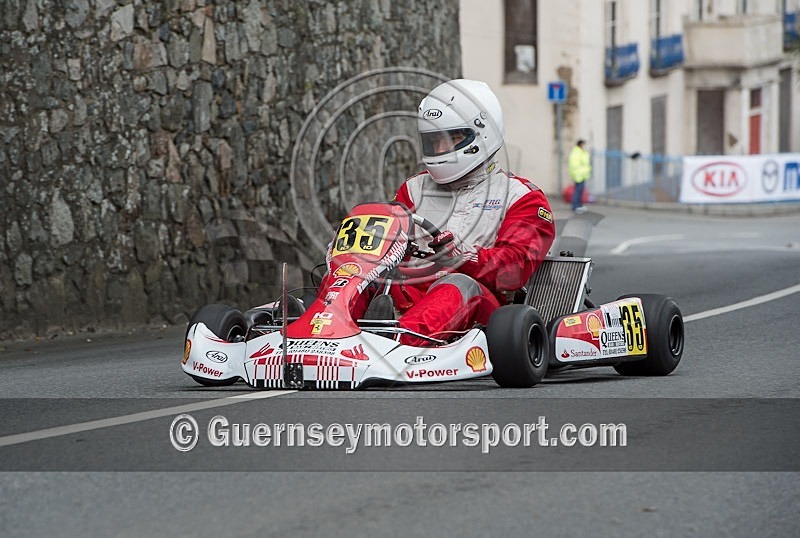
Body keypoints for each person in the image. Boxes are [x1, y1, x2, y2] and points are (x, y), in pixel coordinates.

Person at [385, 79, 556, 346]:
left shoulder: (522, 197)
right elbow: (387, 236)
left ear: (482, 134)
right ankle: (314, 336)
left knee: (458, 285)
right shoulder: (413, 189)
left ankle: (394, 344)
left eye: (451, 139)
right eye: (434, 141)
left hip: (485, 312)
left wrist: (462, 259)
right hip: (412, 295)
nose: (440, 150)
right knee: (366, 280)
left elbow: (513, 270)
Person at [568, 139, 591, 213]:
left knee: (580, 191)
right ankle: (575, 206)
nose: (585, 147)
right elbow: (575, 165)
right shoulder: (576, 153)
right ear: (580, 144)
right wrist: (579, 174)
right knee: (578, 191)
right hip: (579, 175)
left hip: (582, 175)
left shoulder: (581, 152)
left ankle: (579, 205)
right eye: (584, 145)